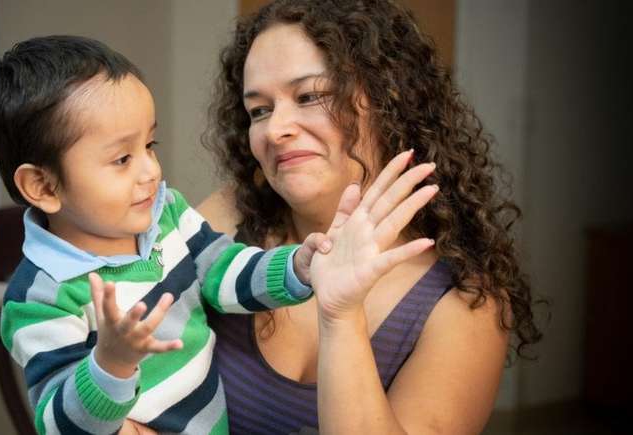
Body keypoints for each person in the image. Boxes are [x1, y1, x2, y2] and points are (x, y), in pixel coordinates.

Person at [0, 35, 437, 434]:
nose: (151, 171)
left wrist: (301, 265)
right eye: (122, 160)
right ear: (43, 186)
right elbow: (61, 425)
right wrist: (110, 364)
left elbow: (224, 271)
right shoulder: (39, 298)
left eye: (149, 146)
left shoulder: (166, 214)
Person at [195, 0, 542, 433]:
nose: (275, 129)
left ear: (387, 100)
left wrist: (340, 318)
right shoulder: (226, 218)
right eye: (259, 110)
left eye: (309, 96)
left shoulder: (464, 302)